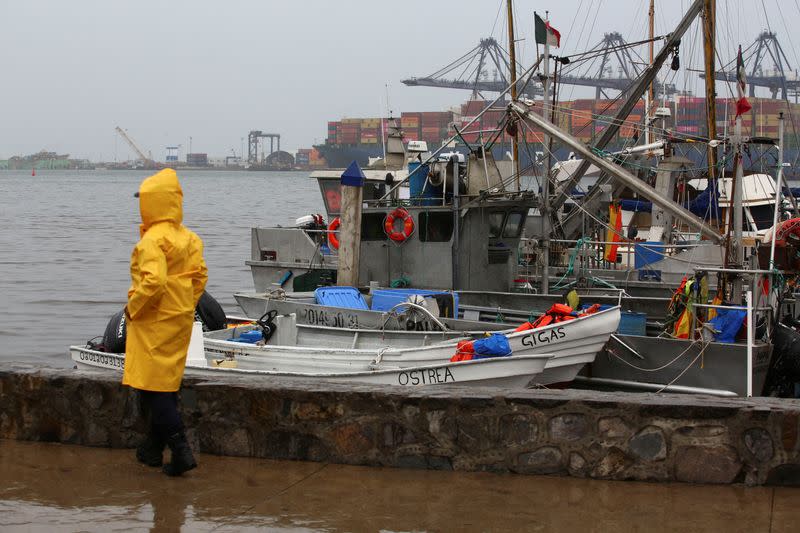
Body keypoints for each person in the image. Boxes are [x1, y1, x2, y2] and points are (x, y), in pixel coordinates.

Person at [122, 168, 208, 476]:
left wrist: (132, 309)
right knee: (165, 384)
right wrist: (184, 302)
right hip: (181, 319)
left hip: (153, 323)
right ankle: (153, 450)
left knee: (153, 389)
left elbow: (153, 282)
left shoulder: (151, 242)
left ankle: (181, 451)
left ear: (151, 203)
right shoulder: (190, 238)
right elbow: (200, 278)